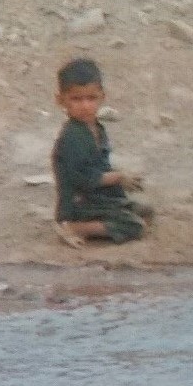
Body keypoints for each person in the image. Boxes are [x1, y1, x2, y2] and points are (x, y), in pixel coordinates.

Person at [51, 58, 152, 249]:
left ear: (102, 97)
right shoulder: (72, 137)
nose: (85, 105)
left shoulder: (97, 129)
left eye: (91, 98)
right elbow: (82, 180)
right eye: (76, 99)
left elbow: (100, 164)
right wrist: (118, 177)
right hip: (79, 204)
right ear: (61, 100)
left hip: (100, 198)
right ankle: (75, 227)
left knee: (145, 211)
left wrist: (119, 179)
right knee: (134, 226)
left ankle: (100, 222)